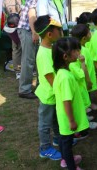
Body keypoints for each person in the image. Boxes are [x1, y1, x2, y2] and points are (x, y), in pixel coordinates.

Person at [53, 37, 89, 170]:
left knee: (64, 140)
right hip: (67, 118)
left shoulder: (62, 73)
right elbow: (66, 101)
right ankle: (71, 166)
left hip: (64, 116)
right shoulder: (66, 77)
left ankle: (66, 159)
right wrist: (72, 121)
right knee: (67, 143)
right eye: (75, 50)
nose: (78, 52)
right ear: (65, 56)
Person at [33, 15, 62, 160]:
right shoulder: (43, 54)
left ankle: (57, 139)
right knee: (45, 124)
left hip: (54, 94)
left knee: (56, 119)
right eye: (59, 31)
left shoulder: (50, 48)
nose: (61, 33)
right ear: (50, 35)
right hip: (48, 96)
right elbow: (51, 79)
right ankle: (45, 148)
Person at [16, 0, 45, 99]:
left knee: (38, 59)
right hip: (27, 30)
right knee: (28, 60)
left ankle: (40, 86)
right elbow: (31, 13)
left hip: (33, 31)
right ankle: (24, 89)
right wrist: (34, 32)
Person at [70, 23, 97, 131]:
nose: (91, 34)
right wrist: (88, 81)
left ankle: (85, 118)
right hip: (84, 81)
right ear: (84, 38)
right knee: (82, 103)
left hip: (85, 81)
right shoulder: (81, 51)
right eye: (89, 33)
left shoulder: (81, 48)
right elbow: (83, 67)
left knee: (84, 102)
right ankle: (84, 122)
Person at [3, 0, 25, 80]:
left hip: (10, 27)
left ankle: (18, 71)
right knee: (24, 48)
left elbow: (3, 11)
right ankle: (24, 69)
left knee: (15, 49)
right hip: (22, 25)